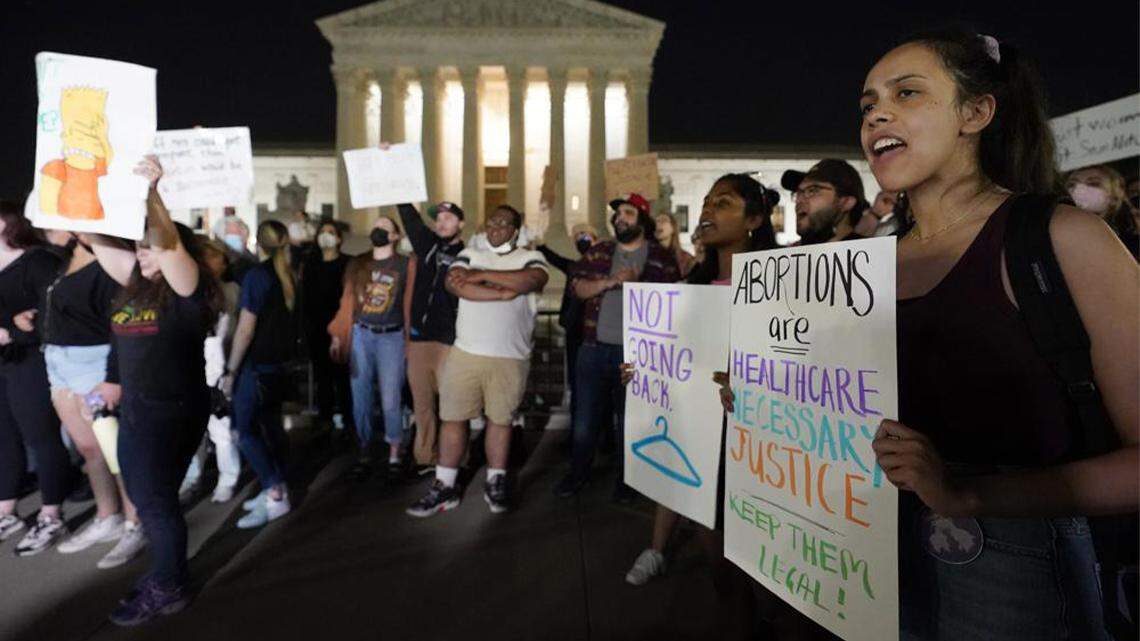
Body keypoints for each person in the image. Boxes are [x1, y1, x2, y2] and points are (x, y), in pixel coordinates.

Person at [857, 29, 1136, 639]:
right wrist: (766, 402)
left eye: (907, 93)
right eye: (868, 103)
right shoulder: (864, 264)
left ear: (976, 113)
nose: (877, 112)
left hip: (1020, 570)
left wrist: (970, 495)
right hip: (871, 553)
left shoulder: (1062, 240)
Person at [88, 157, 220, 625]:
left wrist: (152, 193)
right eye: (137, 248)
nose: (141, 254)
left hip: (173, 408)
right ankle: (167, 572)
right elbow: (95, 237)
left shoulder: (189, 289)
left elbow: (165, 246)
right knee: (149, 497)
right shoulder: (134, 286)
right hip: (140, 408)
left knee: (154, 500)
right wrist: (89, 181)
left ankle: (170, 585)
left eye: (148, 247)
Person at [406, 205, 548, 517]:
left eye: (504, 223)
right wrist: (501, 292)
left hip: (510, 356)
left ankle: (496, 480)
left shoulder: (530, 256)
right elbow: (455, 284)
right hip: (466, 352)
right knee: (454, 418)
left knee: (500, 421)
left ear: (516, 229)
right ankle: (444, 485)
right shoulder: (470, 252)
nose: (496, 227)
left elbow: (531, 280)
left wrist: (481, 277)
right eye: (492, 221)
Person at [30, 229, 147, 568]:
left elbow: (119, 326)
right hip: (58, 363)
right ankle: (107, 515)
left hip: (93, 364)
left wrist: (113, 378)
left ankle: (134, 523)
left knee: (115, 451)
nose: (48, 225)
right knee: (88, 450)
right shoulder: (62, 261)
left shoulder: (108, 264)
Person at [553, 193, 681, 502]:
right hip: (593, 349)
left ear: (643, 220)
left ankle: (628, 481)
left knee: (630, 422)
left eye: (627, 213)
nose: (619, 218)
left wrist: (639, 284)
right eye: (617, 214)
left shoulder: (660, 258)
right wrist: (610, 282)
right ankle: (578, 473)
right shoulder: (600, 252)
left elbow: (676, 299)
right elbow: (578, 288)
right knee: (585, 420)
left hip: (637, 356)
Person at [0, 201, 72, 557]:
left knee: (40, 437)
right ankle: (7, 511)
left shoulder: (39, 262)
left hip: (32, 362)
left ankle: (51, 514)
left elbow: (54, 317)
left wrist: (13, 332)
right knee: (5, 437)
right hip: (5, 363)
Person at [221, 220, 297, 529]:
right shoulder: (289, 274)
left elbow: (246, 329)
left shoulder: (257, 276)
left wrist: (231, 370)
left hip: (255, 366)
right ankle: (277, 488)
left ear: (259, 243)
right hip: (279, 365)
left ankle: (275, 492)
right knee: (271, 426)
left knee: (244, 430)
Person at [333, 215, 411, 480]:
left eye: (385, 228)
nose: (378, 230)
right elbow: (346, 302)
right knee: (361, 397)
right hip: (362, 334)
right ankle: (364, 449)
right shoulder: (358, 263)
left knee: (391, 398)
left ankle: (394, 451)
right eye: (376, 225)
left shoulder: (405, 265)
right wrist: (339, 334)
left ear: (396, 236)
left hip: (392, 336)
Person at [395, 200, 465, 472]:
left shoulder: (469, 254)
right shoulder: (428, 246)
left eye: (449, 218)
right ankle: (425, 457)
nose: (442, 222)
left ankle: (456, 458)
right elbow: (410, 218)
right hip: (420, 338)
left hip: (449, 340)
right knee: (422, 405)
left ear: (460, 223)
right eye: (439, 218)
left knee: (452, 406)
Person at [179, 239, 242, 503]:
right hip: (190, 362)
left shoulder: (228, 291)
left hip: (216, 364)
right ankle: (193, 476)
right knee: (191, 430)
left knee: (220, 426)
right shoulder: (188, 290)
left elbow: (228, 332)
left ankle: (227, 478)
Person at [536, 223, 599, 440]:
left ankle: (600, 435)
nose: (582, 239)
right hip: (574, 332)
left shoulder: (603, 266)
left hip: (595, 333)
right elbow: (554, 259)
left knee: (598, 387)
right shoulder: (574, 267)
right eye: (579, 236)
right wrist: (540, 246)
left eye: (586, 235)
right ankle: (577, 435)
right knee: (576, 386)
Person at [302, 219, 351, 430]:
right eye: (322, 232)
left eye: (330, 232)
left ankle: (347, 418)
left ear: (339, 238)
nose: (326, 236)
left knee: (343, 377)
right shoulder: (311, 265)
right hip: (317, 329)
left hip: (342, 328)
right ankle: (325, 419)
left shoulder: (348, 264)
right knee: (323, 377)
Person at [781, 159, 868, 244]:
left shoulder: (871, 254)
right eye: (798, 192)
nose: (798, 200)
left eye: (812, 190)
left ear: (846, 202)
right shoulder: (790, 254)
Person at [1066, 164, 1138, 260]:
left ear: (1115, 195)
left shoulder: (1131, 242)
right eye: (1072, 185)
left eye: (1093, 184)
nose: (1080, 190)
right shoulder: (1062, 239)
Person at [654, 212, 696, 276]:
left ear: (673, 228)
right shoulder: (647, 256)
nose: (658, 224)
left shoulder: (686, 259)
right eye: (656, 221)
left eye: (663, 220)